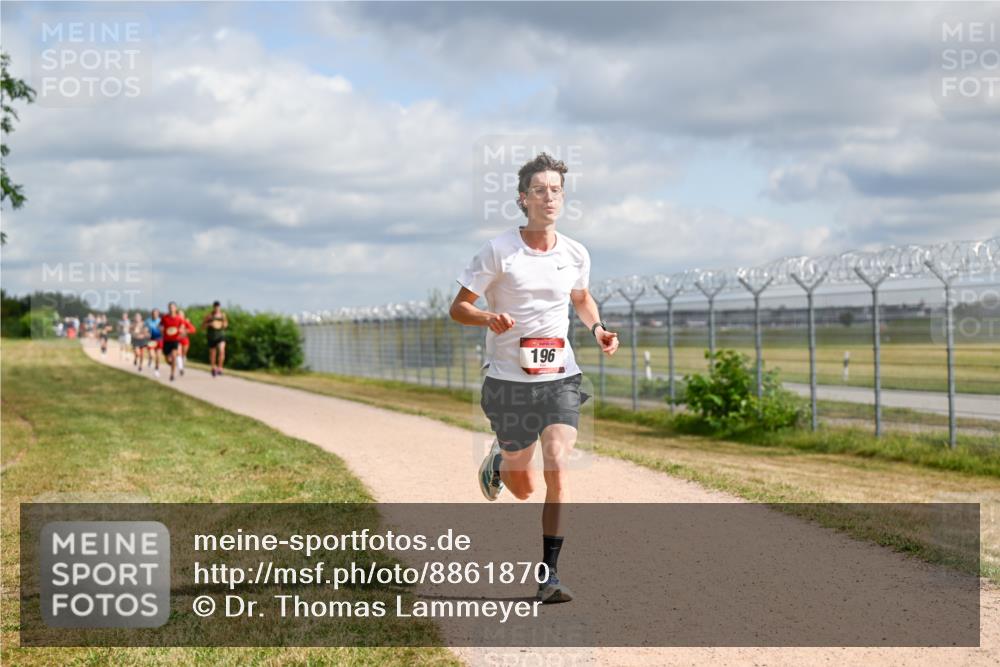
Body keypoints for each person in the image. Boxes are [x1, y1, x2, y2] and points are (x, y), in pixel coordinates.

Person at [449, 152, 619, 604]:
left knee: (559, 464)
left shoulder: (575, 253)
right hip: (508, 382)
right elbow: (457, 308)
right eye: (540, 190)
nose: (550, 197)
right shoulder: (498, 251)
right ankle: (500, 462)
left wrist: (597, 328)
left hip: (560, 376)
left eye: (557, 190)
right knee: (523, 489)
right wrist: (487, 318)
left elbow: (581, 299)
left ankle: (550, 576)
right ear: (523, 199)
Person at [158, 302, 186, 382]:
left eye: (173, 307)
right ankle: (173, 365)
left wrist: (181, 330)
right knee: (167, 359)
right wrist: (161, 329)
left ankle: (172, 375)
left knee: (174, 356)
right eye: (170, 307)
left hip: (175, 340)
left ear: (175, 308)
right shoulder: (164, 318)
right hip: (166, 340)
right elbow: (160, 326)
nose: (171, 308)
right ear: (168, 308)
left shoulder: (179, 318)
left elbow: (182, 326)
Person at [202, 301, 228, 377]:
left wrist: (223, 324)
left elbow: (226, 325)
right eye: (215, 307)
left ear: (220, 307)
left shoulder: (223, 315)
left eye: (218, 307)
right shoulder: (209, 316)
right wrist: (209, 324)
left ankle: (220, 368)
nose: (217, 308)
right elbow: (203, 327)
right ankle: (213, 367)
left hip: (220, 336)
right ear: (213, 307)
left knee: (222, 351)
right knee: (213, 354)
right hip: (211, 336)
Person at [176, 309, 197, 376]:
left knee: (183, 355)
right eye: (178, 314)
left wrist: (187, 330)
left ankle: (182, 363)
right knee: (178, 353)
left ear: (183, 315)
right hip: (177, 340)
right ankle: (180, 368)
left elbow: (193, 330)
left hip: (185, 340)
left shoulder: (185, 322)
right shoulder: (175, 322)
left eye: (181, 314)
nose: (180, 316)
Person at [145, 308, 163, 377]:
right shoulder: (148, 321)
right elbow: (144, 329)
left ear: (158, 314)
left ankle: (156, 370)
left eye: (156, 313)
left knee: (158, 357)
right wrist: (146, 333)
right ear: (151, 314)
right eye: (153, 313)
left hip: (159, 340)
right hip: (151, 340)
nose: (154, 315)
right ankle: (150, 359)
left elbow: (164, 329)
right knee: (152, 355)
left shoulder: (161, 321)